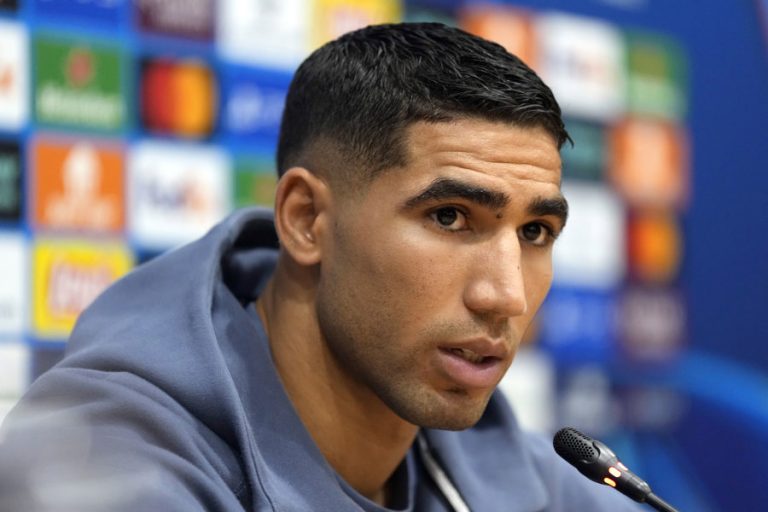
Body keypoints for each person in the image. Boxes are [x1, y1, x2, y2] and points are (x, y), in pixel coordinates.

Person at [0, 23, 643, 511]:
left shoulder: (524, 474)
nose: (505, 295)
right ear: (306, 220)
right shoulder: (108, 463)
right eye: (450, 217)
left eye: (535, 231)